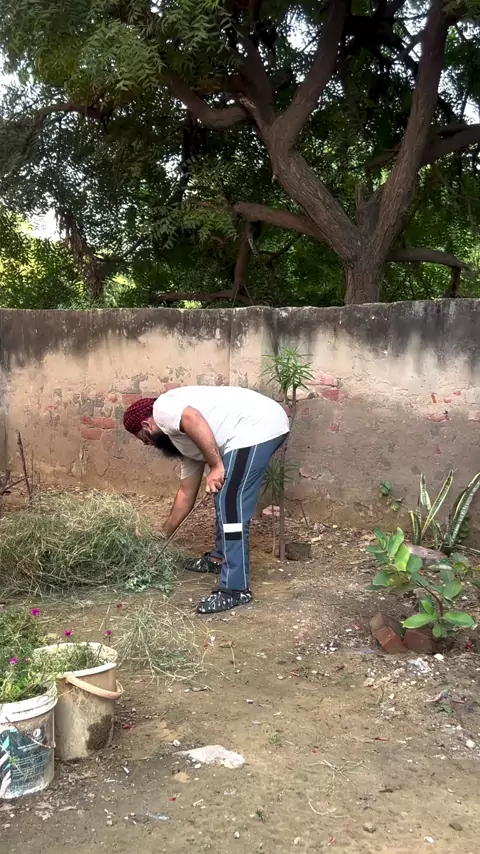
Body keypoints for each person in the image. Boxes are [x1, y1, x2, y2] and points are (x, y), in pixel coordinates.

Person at [123, 386, 289, 614]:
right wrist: (159, 538)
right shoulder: (186, 444)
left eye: (144, 439)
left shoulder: (162, 408)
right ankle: (218, 559)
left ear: (146, 426)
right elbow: (185, 495)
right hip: (248, 431)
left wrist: (216, 465)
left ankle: (235, 589)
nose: (147, 444)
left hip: (258, 426)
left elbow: (192, 417)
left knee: (231, 502)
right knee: (223, 496)